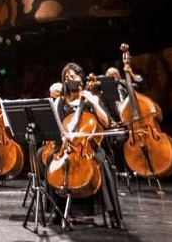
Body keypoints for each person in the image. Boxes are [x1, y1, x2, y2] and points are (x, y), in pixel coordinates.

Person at [46, 62, 122, 228]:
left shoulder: (92, 98)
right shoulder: (61, 102)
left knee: (100, 163)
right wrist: (63, 137)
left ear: (81, 78)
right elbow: (58, 128)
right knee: (51, 158)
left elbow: (107, 123)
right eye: (66, 78)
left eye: (72, 77)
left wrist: (93, 102)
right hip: (66, 146)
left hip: (89, 146)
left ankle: (110, 212)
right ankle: (58, 211)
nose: (69, 80)